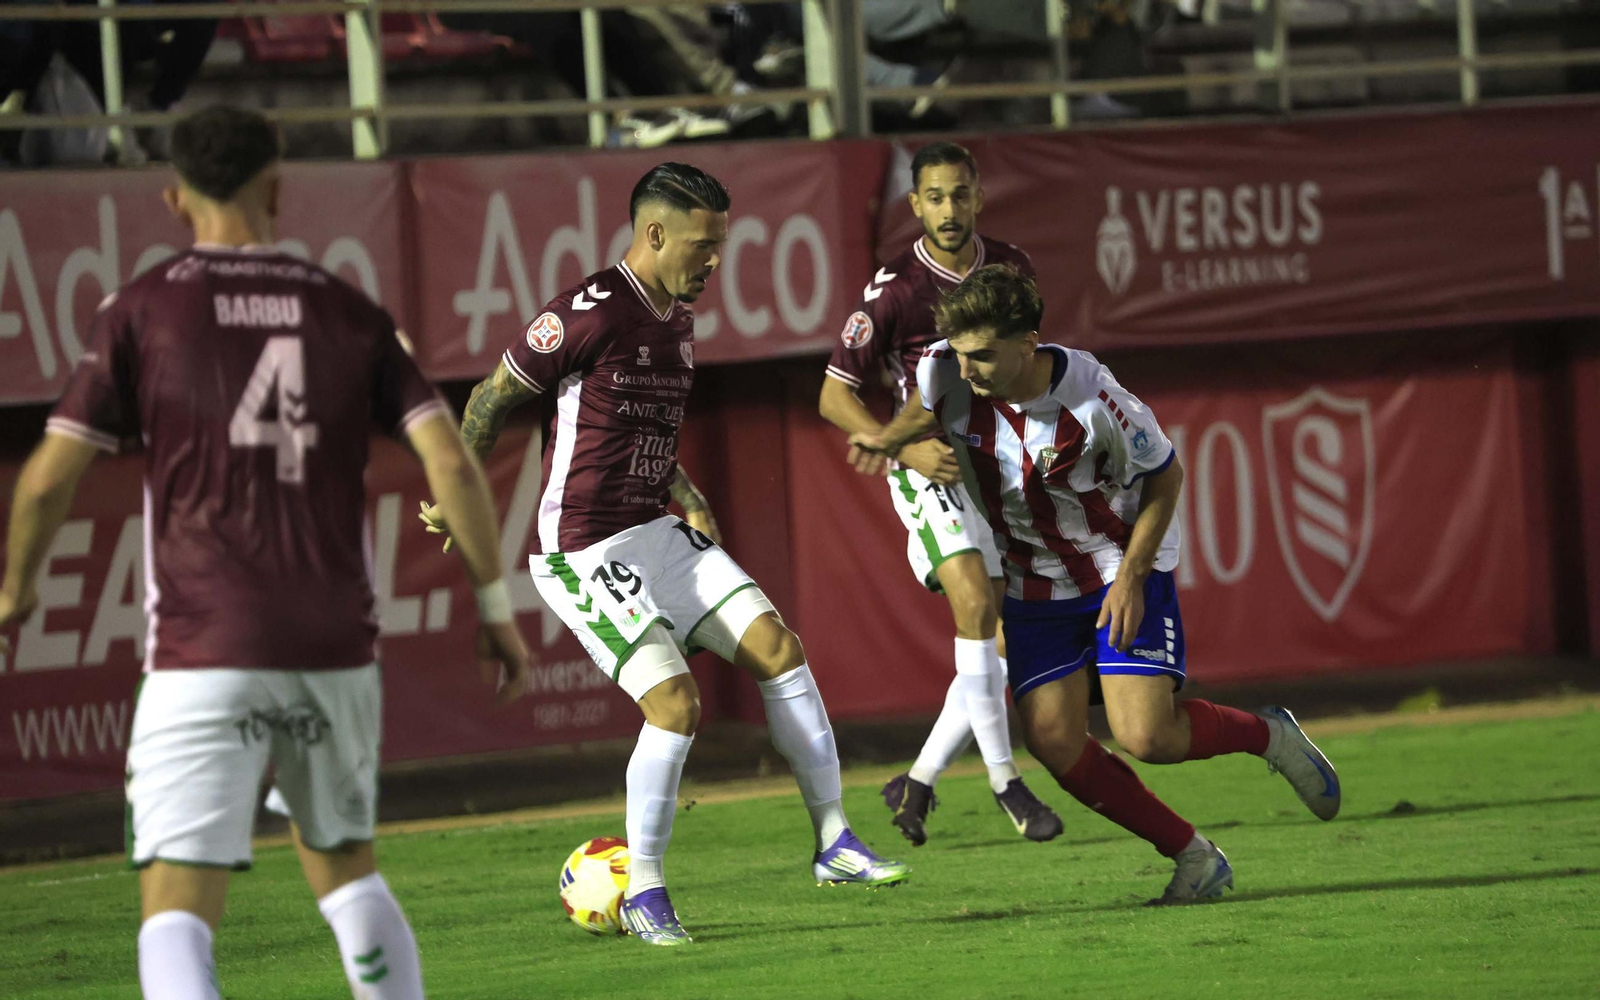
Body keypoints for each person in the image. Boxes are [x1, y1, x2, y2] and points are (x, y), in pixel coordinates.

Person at [0, 105, 532, 1000]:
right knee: (348, 872)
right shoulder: (347, 310)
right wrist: (494, 608)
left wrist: (16, 593)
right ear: (278, 187)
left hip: (201, 647)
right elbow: (452, 464)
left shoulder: (140, 309)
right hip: (334, 648)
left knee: (176, 899)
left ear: (174, 198)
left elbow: (44, 481)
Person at [420, 161, 909, 948]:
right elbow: (491, 397)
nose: (715, 260)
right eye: (703, 245)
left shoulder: (676, 315)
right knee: (676, 706)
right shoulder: (589, 313)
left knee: (779, 649)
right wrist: (457, 494)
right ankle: (645, 889)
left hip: (654, 529)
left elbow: (638, 426)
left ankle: (834, 844)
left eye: (720, 244)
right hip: (582, 548)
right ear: (654, 234)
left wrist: (687, 493)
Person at [847, 264, 1342, 904]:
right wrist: (890, 441)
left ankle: (1268, 734)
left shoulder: (1094, 399)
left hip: (1115, 567)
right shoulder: (946, 370)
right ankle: (1193, 857)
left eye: (984, 355)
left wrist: (1133, 578)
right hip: (1033, 584)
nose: (966, 370)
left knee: (1147, 738)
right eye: (960, 353)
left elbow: (1165, 477)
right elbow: (928, 403)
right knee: (1052, 740)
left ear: (1028, 343)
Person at [818, 141, 1063, 847]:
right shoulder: (894, 289)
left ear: (979, 196)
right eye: (935, 197)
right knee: (976, 607)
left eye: (960, 194)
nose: (949, 209)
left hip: (998, 466)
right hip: (933, 468)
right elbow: (833, 396)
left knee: (1004, 639)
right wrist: (901, 446)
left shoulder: (1012, 269)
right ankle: (1007, 783)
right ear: (915, 205)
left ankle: (918, 781)